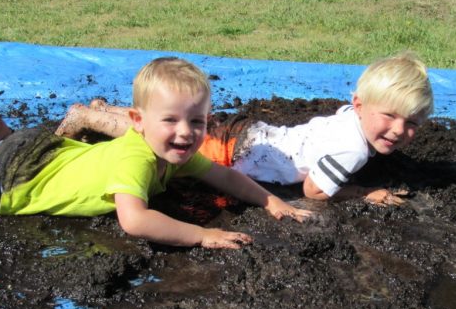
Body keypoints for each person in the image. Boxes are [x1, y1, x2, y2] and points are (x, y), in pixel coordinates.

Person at [0, 58, 312, 249]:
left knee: (3, 141)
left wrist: (270, 200)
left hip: (42, 146)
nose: (186, 133)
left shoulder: (170, 151)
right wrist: (202, 234)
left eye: (197, 122)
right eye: (171, 120)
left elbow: (223, 176)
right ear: (136, 120)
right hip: (11, 182)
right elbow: (135, 221)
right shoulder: (136, 160)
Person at [56, 53, 434, 206]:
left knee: (168, 120)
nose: (399, 131)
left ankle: (106, 110)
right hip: (242, 155)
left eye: (412, 124)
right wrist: (364, 192)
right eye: (391, 117)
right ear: (360, 105)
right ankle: (90, 118)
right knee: (164, 138)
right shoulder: (352, 149)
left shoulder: (352, 117)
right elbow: (314, 191)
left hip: (256, 134)